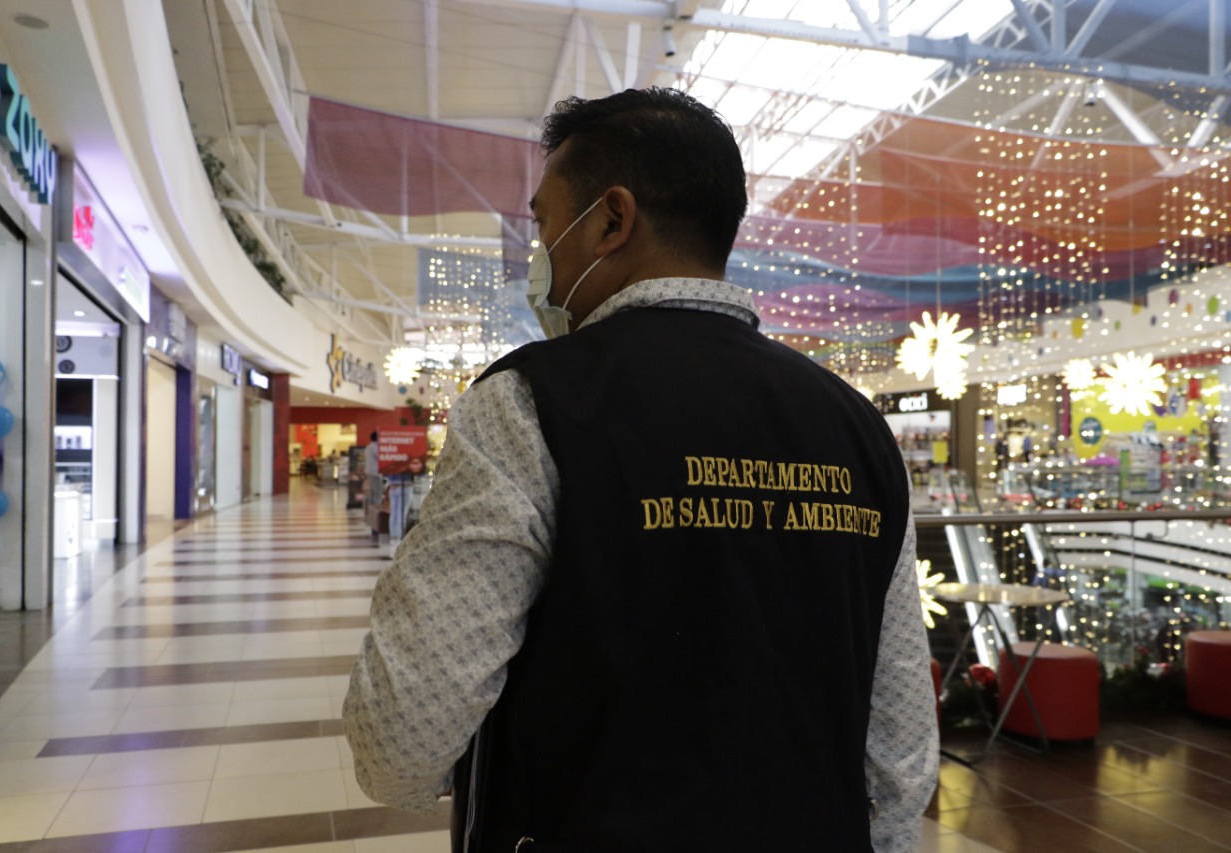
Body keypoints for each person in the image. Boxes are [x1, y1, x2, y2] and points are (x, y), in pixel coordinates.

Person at [343, 87, 938, 852]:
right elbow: (899, 749)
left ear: (611, 220)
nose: (542, 257)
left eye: (544, 224)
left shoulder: (530, 404)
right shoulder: (859, 427)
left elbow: (402, 742)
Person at [363, 430, 382, 507]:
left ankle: (371, 508)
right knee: (377, 491)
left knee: (372, 491)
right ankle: (376, 507)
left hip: (370, 471)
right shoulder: (375, 447)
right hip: (375, 472)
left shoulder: (368, 447)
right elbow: (380, 456)